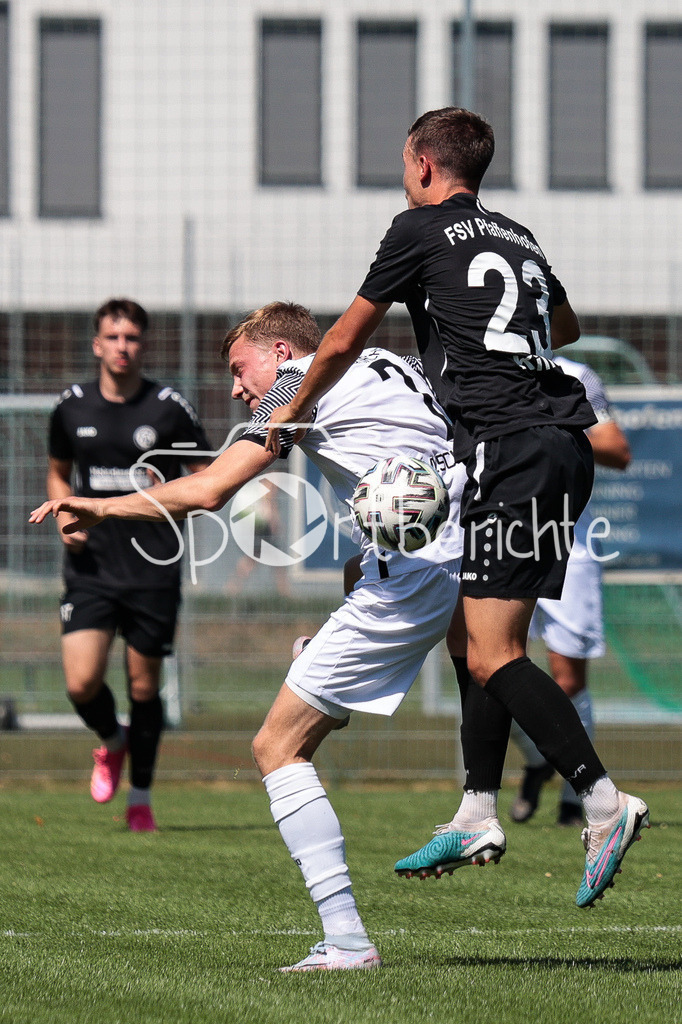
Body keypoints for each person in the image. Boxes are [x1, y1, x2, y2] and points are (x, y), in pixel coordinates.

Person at [263, 108, 649, 909]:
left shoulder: (416, 229)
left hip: (510, 449)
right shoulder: (519, 236)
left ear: (422, 163)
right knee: (476, 640)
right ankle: (477, 809)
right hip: (559, 445)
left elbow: (341, 340)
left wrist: (286, 411)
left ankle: (603, 800)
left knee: (495, 655)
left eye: (403, 162)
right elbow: (565, 325)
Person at [31, 300, 467, 971]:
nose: (237, 389)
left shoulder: (297, 384)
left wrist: (102, 507)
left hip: (409, 577)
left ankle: (348, 940)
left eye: (240, 370)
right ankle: (524, 798)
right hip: (471, 547)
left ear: (281, 353)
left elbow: (210, 489)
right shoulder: (386, 361)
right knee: (491, 664)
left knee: (275, 746)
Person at [46, 298, 212, 832]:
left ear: (144, 345)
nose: (123, 346)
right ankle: (111, 741)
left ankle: (140, 798)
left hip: (152, 568)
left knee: (144, 689)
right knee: (80, 684)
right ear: (97, 345)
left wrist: (170, 495)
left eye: (132, 337)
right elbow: (58, 472)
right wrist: (64, 518)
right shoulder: (71, 406)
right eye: (113, 337)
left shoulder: (169, 407)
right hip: (91, 567)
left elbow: (208, 477)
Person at [510, 356, 632, 827]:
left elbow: (617, 449)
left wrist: (547, 431)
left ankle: (574, 797)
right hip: (497, 533)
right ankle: (538, 759)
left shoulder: (574, 376)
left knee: (569, 679)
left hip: (570, 539)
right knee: (487, 670)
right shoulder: (476, 360)